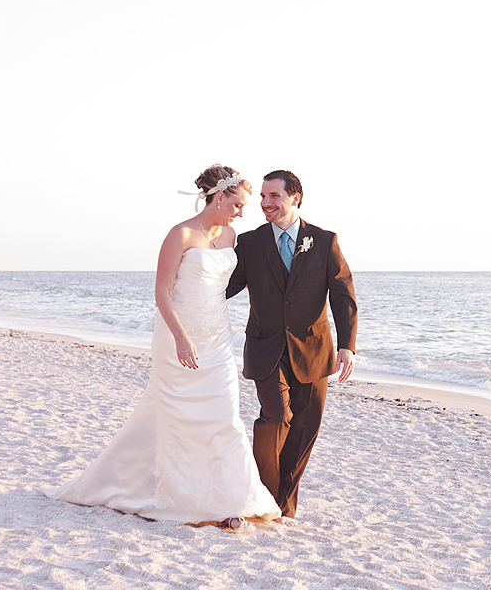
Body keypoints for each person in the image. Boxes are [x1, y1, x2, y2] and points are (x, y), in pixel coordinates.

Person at [45, 165, 281, 530]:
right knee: (180, 419)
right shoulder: (181, 234)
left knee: (225, 417)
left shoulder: (232, 235)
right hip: (179, 337)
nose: (241, 213)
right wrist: (181, 337)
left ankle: (234, 499)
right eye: (237, 204)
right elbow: (162, 294)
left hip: (218, 338)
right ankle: (183, 497)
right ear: (218, 197)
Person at [226, 170, 357, 519]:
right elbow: (227, 286)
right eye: (263, 197)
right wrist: (191, 298)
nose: (266, 203)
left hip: (313, 350)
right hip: (265, 347)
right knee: (275, 418)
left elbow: (343, 295)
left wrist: (348, 346)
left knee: (305, 427)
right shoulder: (250, 243)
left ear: (294, 197)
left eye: (274, 196)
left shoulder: (325, 241)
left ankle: (281, 505)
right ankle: (262, 499)